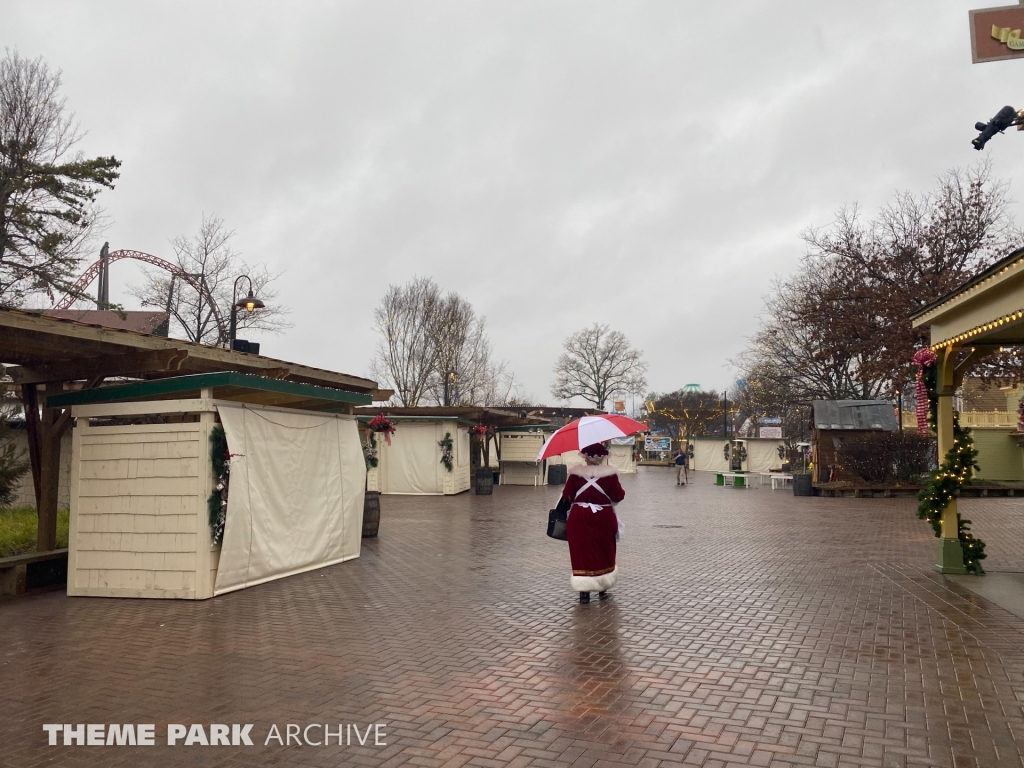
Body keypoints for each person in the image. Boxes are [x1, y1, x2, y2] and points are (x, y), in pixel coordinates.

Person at [560, 442, 625, 603]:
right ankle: (603, 587)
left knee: (581, 551)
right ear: (603, 458)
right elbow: (618, 496)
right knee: (604, 550)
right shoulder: (610, 475)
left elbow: (568, 495)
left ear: (585, 457)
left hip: (579, 518)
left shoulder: (576, 474)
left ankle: (584, 592)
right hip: (603, 517)